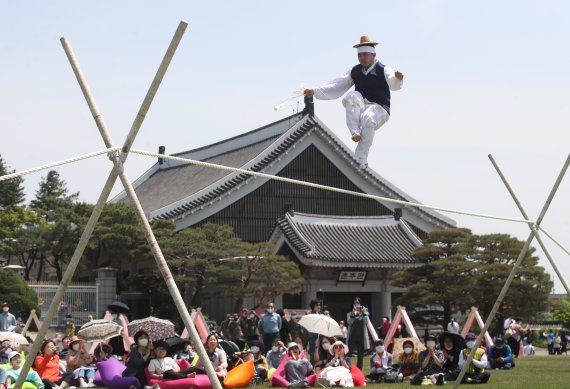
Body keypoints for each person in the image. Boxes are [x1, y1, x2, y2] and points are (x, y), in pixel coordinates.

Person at [303, 35, 404, 169]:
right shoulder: (355, 71)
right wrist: (315, 91)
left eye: (365, 54)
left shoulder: (383, 69)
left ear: (373, 54)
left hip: (379, 108)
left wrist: (398, 79)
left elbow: (393, 83)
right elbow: (337, 84)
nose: (362, 58)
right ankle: (355, 132)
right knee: (351, 96)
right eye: (360, 55)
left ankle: (361, 159)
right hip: (362, 106)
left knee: (367, 119)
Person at [346, 297, 370, 370]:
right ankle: (348, 368)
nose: (356, 304)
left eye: (358, 303)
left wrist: (364, 313)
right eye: (355, 303)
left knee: (360, 355)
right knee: (349, 354)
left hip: (361, 337)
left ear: (361, 304)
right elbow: (349, 322)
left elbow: (366, 322)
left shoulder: (365, 313)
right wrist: (352, 315)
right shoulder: (350, 313)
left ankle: (359, 370)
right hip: (352, 337)